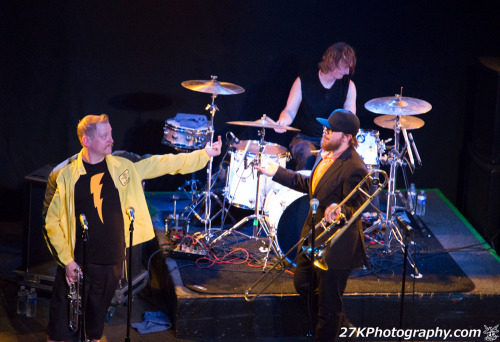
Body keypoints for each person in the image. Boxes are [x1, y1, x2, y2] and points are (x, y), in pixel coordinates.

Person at [42, 114, 222, 342]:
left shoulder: (123, 166)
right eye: (104, 136)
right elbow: (52, 222)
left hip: (111, 263)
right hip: (76, 263)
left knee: (94, 332)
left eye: (111, 134)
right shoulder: (66, 175)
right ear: (86, 141)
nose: (111, 139)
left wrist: (204, 155)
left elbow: (163, 163)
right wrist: (67, 261)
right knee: (60, 331)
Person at [258, 109, 368, 341]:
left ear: (347, 137)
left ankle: (332, 325)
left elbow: (356, 206)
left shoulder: (355, 167)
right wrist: (275, 172)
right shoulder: (325, 155)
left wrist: (339, 212)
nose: (325, 132)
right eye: (325, 127)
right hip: (312, 237)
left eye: (331, 129)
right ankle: (340, 323)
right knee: (302, 283)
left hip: (336, 247)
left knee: (329, 306)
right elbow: (309, 185)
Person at [275, 42, 357, 171]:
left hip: (333, 139)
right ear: (331, 61)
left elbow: (350, 120)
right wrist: (282, 121)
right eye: (345, 66)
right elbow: (289, 111)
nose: (347, 72)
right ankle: (305, 189)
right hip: (305, 138)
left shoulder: (349, 86)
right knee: (308, 157)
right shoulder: (303, 81)